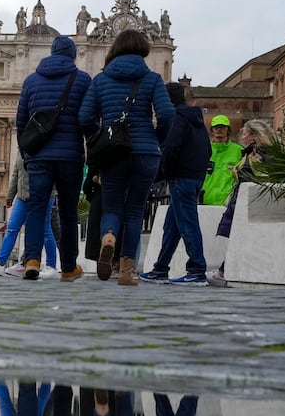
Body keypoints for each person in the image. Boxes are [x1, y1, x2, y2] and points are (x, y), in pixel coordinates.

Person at [77, 29, 175, 285]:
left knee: (112, 207)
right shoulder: (152, 78)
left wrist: (98, 139)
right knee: (134, 212)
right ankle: (125, 271)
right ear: (143, 50)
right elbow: (167, 115)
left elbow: (84, 117)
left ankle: (108, 237)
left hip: (112, 154)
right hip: (145, 153)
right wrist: (156, 139)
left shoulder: (100, 80)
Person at [13, 34, 91, 281]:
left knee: (36, 209)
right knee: (68, 212)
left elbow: (21, 121)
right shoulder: (83, 80)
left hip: (39, 156)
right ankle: (68, 268)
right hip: (70, 157)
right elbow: (88, 117)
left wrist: (27, 153)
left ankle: (32, 260)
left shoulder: (31, 81)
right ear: (72, 55)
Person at [141, 81, 211, 284]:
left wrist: (164, 174)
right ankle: (160, 268)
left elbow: (171, 149)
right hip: (194, 177)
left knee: (188, 225)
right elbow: (207, 150)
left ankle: (197, 270)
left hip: (180, 178)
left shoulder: (176, 118)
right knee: (172, 227)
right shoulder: (196, 119)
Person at [207, 120, 276, 287]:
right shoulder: (252, 153)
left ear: (253, 136)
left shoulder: (260, 155)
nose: (242, 137)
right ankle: (223, 270)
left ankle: (223, 271)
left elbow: (264, 175)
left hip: (250, 203)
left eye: (245, 133)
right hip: (244, 201)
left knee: (240, 238)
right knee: (240, 238)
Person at [0, 160, 58, 278]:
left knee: (45, 229)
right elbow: (16, 173)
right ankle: (0, 262)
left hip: (43, 195)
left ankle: (51, 266)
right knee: (11, 228)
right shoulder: (21, 149)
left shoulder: (45, 148)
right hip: (22, 196)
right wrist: (10, 195)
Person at [202, 115, 244, 205]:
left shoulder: (239, 151)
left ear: (228, 130)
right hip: (205, 201)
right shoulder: (203, 149)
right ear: (212, 130)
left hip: (228, 203)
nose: (219, 130)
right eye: (216, 127)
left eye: (222, 127)